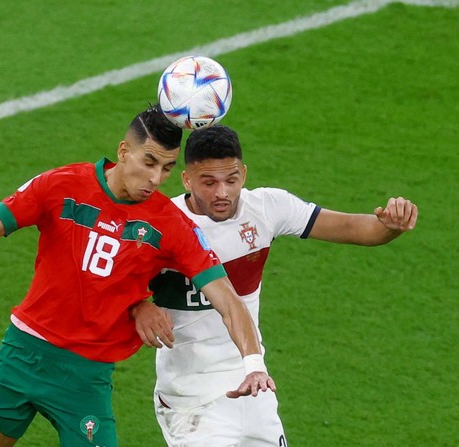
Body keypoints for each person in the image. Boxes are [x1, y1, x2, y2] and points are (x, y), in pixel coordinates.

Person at [0, 107, 276, 447]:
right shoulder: (61, 185)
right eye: (148, 162)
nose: (155, 179)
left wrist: (253, 364)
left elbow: (227, 297)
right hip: (22, 356)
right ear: (124, 152)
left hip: (85, 378)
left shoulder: (171, 224)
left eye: (165, 168)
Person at [131, 124, 418, 447]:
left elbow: (356, 228)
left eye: (231, 180)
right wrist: (138, 305)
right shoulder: (159, 224)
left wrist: (391, 226)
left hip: (253, 383)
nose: (222, 192)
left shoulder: (267, 208)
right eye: (208, 183)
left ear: (244, 173)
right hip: (190, 399)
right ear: (187, 179)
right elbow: (106, 280)